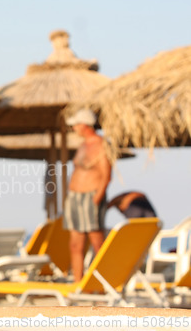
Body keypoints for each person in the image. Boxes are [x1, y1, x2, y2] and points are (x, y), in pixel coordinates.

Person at [64, 109, 112, 282]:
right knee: (75, 244)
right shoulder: (82, 145)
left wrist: (97, 198)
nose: (74, 128)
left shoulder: (102, 144)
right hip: (75, 197)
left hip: (91, 196)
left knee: (97, 243)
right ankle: (79, 282)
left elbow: (106, 175)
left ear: (85, 125)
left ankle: (101, 282)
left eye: (75, 125)